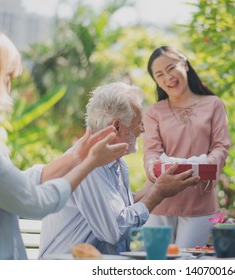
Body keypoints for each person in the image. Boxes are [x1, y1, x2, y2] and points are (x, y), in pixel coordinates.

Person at [0, 26, 128, 260]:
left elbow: (15, 186)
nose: (9, 87)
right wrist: (88, 164)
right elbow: (33, 202)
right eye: (8, 77)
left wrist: (76, 156)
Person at [39, 82, 200, 258]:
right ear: (117, 126)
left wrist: (158, 185)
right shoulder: (88, 164)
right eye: (139, 122)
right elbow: (114, 230)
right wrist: (158, 193)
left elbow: (119, 211)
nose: (143, 129)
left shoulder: (116, 162)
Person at [141, 46, 231, 248]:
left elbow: (221, 145)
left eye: (171, 68)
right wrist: (153, 168)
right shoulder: (154, 111)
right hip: (160, 198)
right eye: (159, 75)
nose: (168, 77)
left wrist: (208, 165)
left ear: (185, 64)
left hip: (200, 200)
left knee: (189, 262)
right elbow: (151, 152)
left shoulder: (213, 104)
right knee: (156, 263)